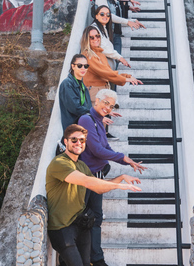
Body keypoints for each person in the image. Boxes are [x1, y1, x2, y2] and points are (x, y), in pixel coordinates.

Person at [46, 124, 141, 266]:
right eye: (74, 140)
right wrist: (119, 185)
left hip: (80, 224)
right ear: (65, 141)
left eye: (82, 140)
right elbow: (86, 181)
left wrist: (120, 177)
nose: (78, 143)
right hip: (62, 227)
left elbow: (98, 188)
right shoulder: (60, 163)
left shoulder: (82, 166)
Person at [78, 89, 147, 266]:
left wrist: (127, 162)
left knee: (97, 217)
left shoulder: (99, 121)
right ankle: (84, 259)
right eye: (105, 103)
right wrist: (123, 158)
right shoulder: (87, 120)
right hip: (87, 176)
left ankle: (97, 258)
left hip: (98, 175)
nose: (108, 107)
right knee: (85, 217)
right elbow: (97, 150)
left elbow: (106, 147)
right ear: (97, 101)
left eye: (111, 105)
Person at [81, 26, 142, 103]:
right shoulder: (88, 56)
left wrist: (127, 76)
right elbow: (105, 73)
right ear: (86, 40)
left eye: (97, 36)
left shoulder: (100, 54)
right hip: (94, 93)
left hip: (103, 91)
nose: (95, 39)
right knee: (96, 115)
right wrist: (126, 79)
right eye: (91, 37)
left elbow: (110, 72)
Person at [59, 54, 92, 131]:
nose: (83, 68)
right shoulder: (67, 84)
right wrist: (95, 114)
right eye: (79, 65)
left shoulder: (83, 86)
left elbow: (88, 108)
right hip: (73, 130)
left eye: (86, 66)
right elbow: (75, 108)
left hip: (83, 127)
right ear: (73, 66)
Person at [91, 5, 130, 70]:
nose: (105, 16)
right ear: (96, 16)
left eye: (108, 14)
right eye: (102, 14)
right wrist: (119, 57)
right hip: (100, 69)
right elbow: (102, 47)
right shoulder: (94, 30)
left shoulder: (103, 29)